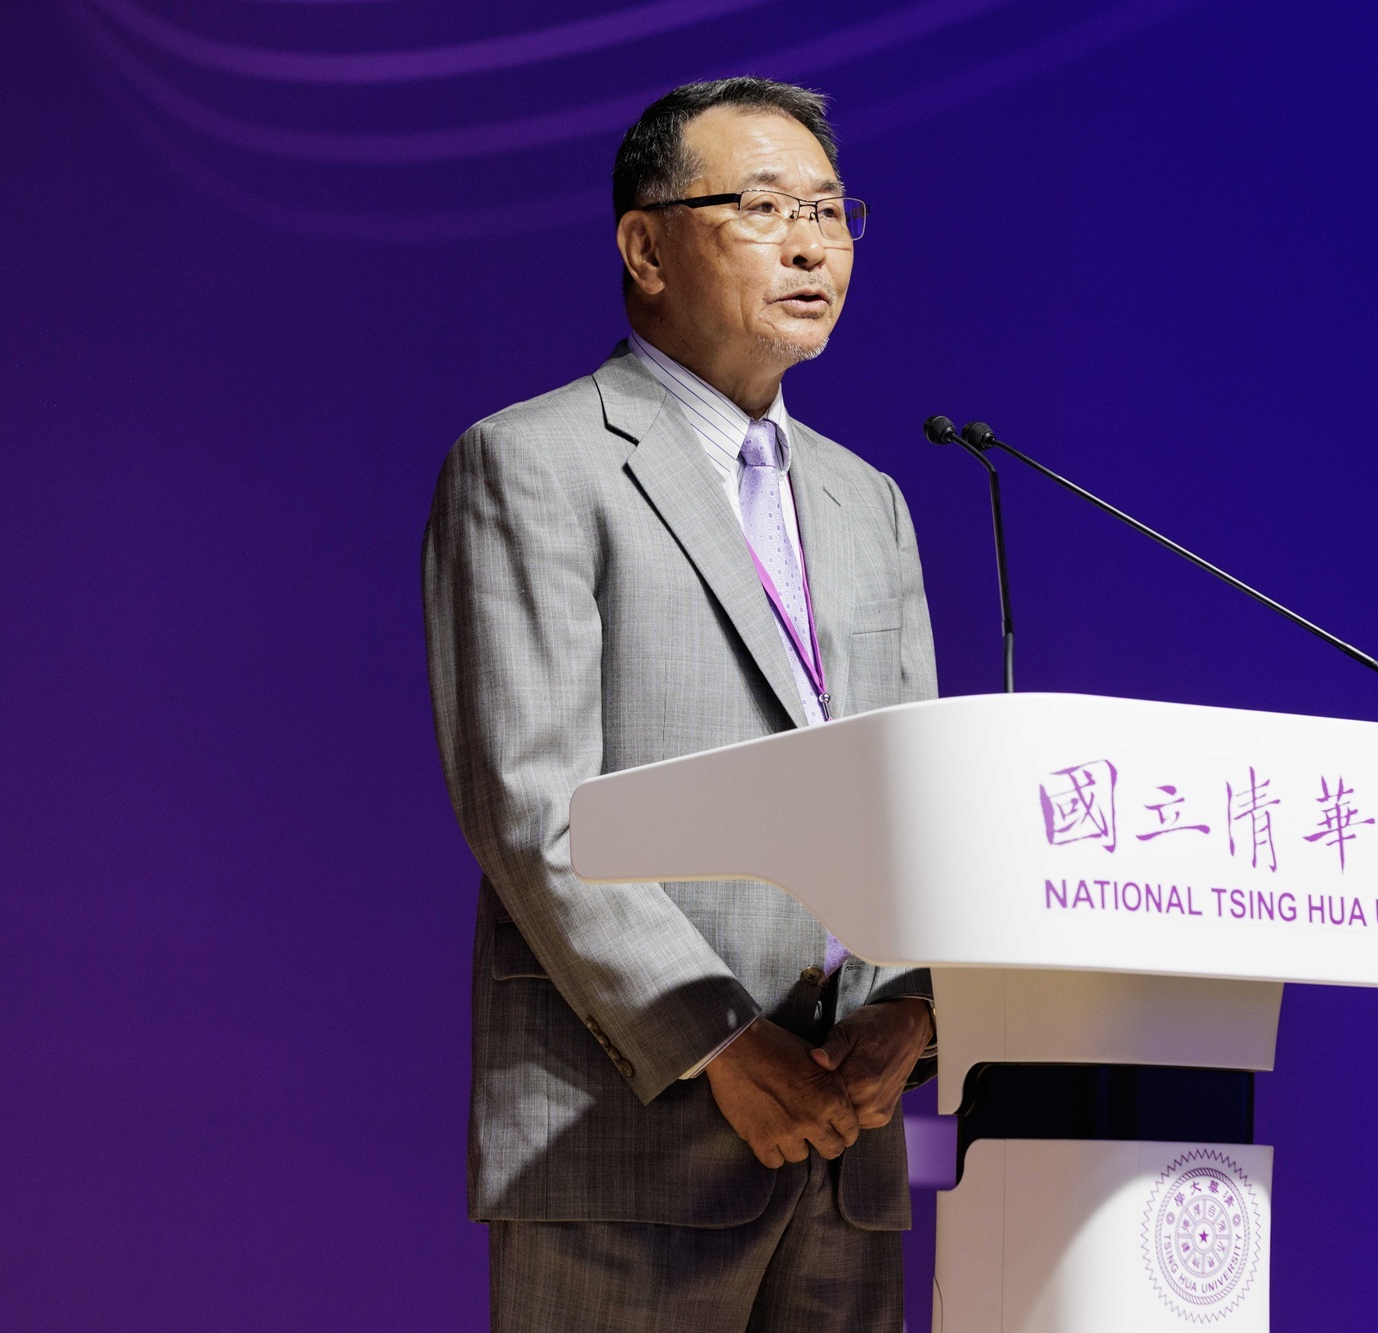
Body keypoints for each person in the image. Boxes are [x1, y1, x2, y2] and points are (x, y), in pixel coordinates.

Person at [422, 77, 938, 1332]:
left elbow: (924, 801)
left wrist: (912, 1012)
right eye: (761, 207)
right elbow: (533, 808)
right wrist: (726, 1046)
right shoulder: (535, 462)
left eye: (829, 210)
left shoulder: (868, 500)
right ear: (645, 248)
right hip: (633, 1134)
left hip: (847, 1143)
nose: (810, 245)